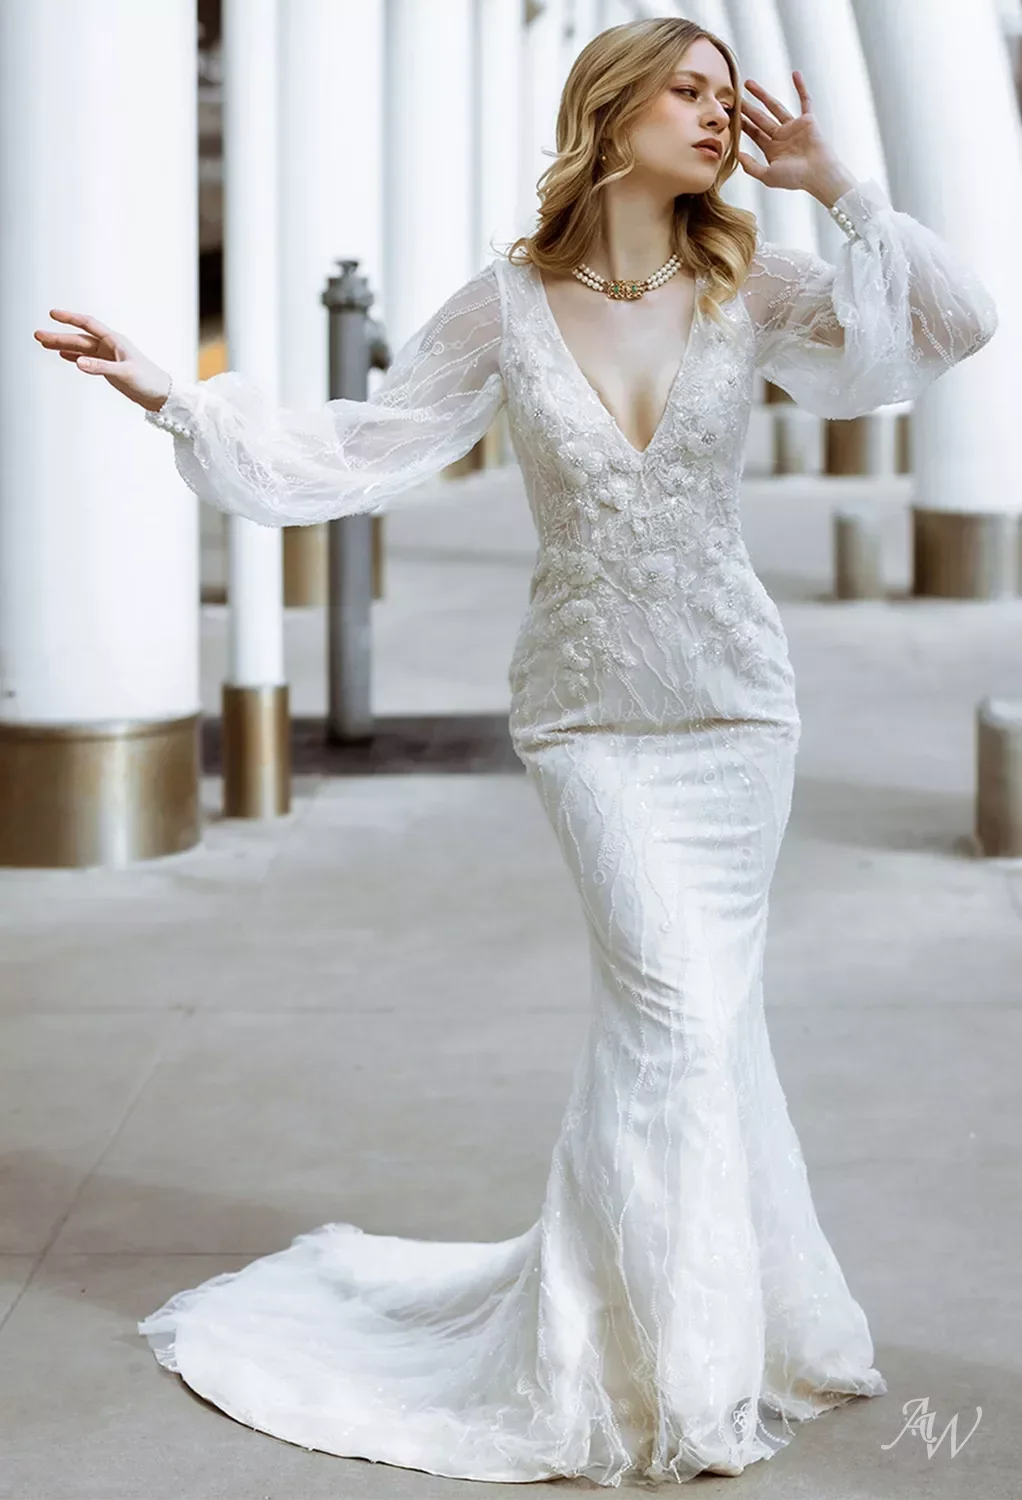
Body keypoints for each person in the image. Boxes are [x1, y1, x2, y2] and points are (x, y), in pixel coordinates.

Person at [33, 14, 997, 1488]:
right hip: (586, 715)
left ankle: (716, 1336)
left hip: (736, 707)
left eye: (728, 95)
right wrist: (179, 394)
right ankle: (644, 1366)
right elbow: (361, 445)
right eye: (689, 89)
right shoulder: (505, 303)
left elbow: (950, 327)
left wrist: (843, 184)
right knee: (672, 1012)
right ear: (609, 114)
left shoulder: (753, 278)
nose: (720, 114)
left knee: (701, 1028)